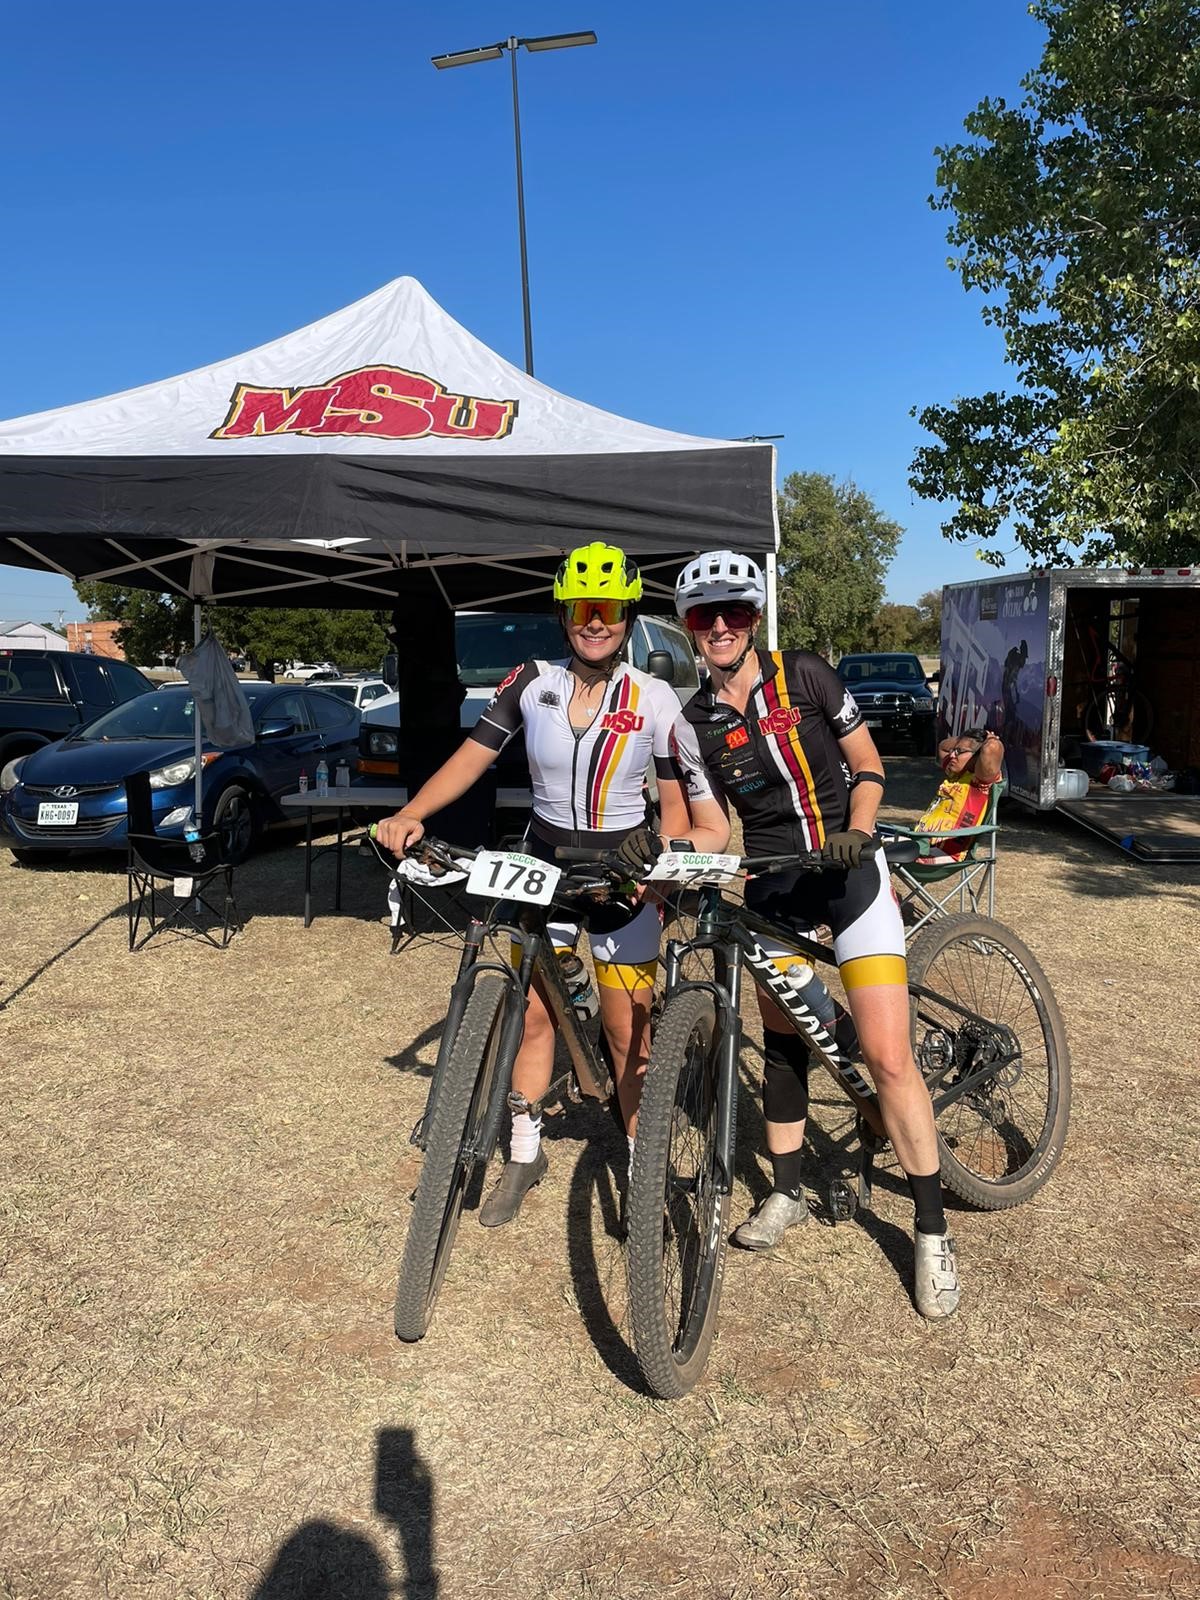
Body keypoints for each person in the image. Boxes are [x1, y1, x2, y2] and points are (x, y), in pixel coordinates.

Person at [376, 542, 728, 1227]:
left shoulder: (653, 697)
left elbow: (676, 803)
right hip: (542, 867)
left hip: (622, 880)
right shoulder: (530, 681)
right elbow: (472, 757)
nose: (594, 622)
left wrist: (664, 866)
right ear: (564, 614)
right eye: (581, 610)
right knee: (533, 1015)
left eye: (608, 610)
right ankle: (524, 1150)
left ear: (627, 616)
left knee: (629, 1036)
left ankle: (639, 1165)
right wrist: (411, 812)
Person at [658, 550, 961, 1319]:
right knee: (786, 1044)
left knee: (889, 1059)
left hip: (848, 870)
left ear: (753, 617)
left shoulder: (807, 675)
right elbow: (713, 823)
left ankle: (931, 1232)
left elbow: (867, 764)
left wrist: (859, 831)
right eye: (703, 616)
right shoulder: (694, 721)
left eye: (732, 612)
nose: (719, 626)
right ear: (690, 629)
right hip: (773, 885)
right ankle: (787, 1194)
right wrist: (661, 851)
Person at [915, 728, 1005, 861]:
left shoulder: (980, 782)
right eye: (953, 751)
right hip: (920, 844)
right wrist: (963, 740)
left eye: (959, 752)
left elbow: (992, 747)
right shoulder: (956, 772)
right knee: (877, 844)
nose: (952, 755)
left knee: (877, 854)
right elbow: (943, 746)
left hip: (944, 852)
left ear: (977, 756)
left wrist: (989, 738)